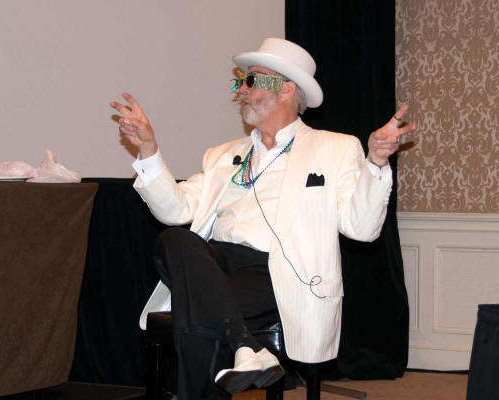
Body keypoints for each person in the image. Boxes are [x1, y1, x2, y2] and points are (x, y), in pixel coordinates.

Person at [110, 38, 416, 399]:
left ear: (286, 89)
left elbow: (362, 230)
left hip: (277, 270)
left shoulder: (335, 148)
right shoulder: (222, 155)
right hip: (214, 264)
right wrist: (148, 149)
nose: (240, 89)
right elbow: (174, 211)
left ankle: (240, 345)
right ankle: (244, 345)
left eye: (251, 80)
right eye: (240, 81)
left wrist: (376, 162)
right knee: (173, 239)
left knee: (199, 313)